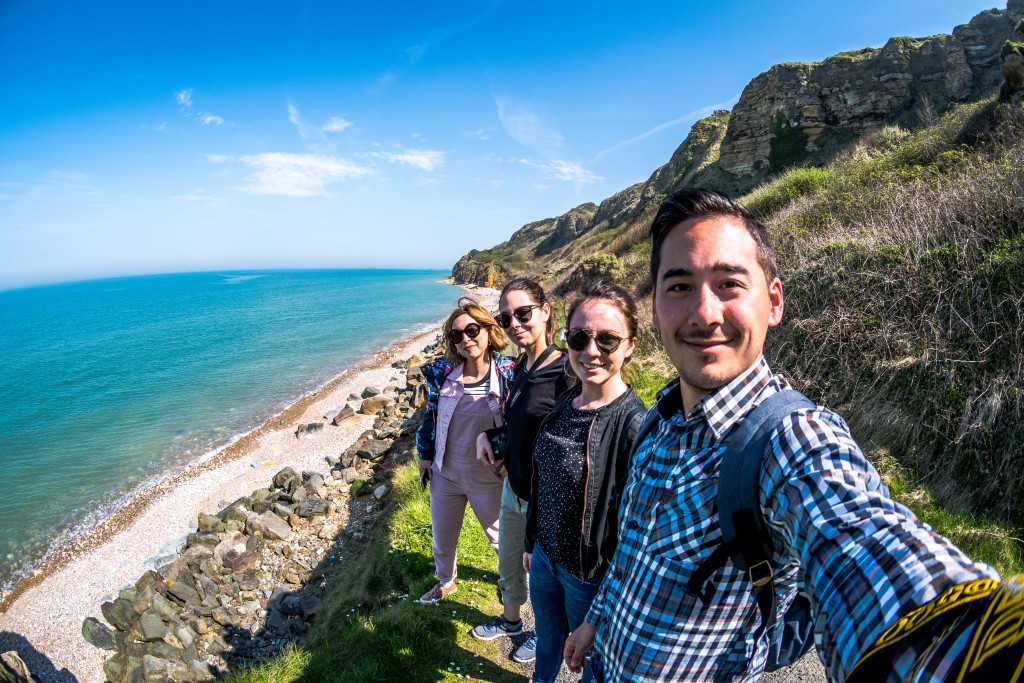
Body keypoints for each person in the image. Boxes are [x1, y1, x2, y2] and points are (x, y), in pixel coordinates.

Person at [562, 189, 1017, 682]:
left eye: (730, 285)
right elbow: (632, 550)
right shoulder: (659, 417)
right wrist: (594, 619)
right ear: (654, 309)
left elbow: (860, 536)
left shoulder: (789, 440)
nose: (705, 313)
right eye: (679, 287)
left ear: (773, 302)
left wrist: (957, 649)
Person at [525, 277, 646, 683]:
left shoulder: (633, 425)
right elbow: (544, 483)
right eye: (579, 338)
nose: (591, 351)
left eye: (608, 340)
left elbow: (634, 535)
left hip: (588, 577)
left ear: (629, 346)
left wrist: (601, 612)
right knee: (547, 638)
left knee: (592, 663)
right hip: (544, 558)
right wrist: (531, 544)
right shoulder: (567, 400)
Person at [471, 278, 568, 664]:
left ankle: (547, 635)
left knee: (546, 579)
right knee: (509, 564)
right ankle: (512, 622)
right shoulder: (521, 366)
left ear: (545, 311)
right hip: (514, 488)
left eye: (523, 313)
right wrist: (490, 436)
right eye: (506, 317)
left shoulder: (567, 369)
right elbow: (522, 423)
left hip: (548, 500)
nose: (515, 323)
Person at [414, 297, 515, 604]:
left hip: (489, 477)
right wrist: (425, 456)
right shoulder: (444, 374)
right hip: (446, 473)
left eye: (472, 330)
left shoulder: (509, 373)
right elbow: (430, 417)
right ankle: (446, 582)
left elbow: (525, 421)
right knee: (443, 537)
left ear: (488, 330)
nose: (466, 340)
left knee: (503, 541)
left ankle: (514, 588)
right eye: (456, 336)